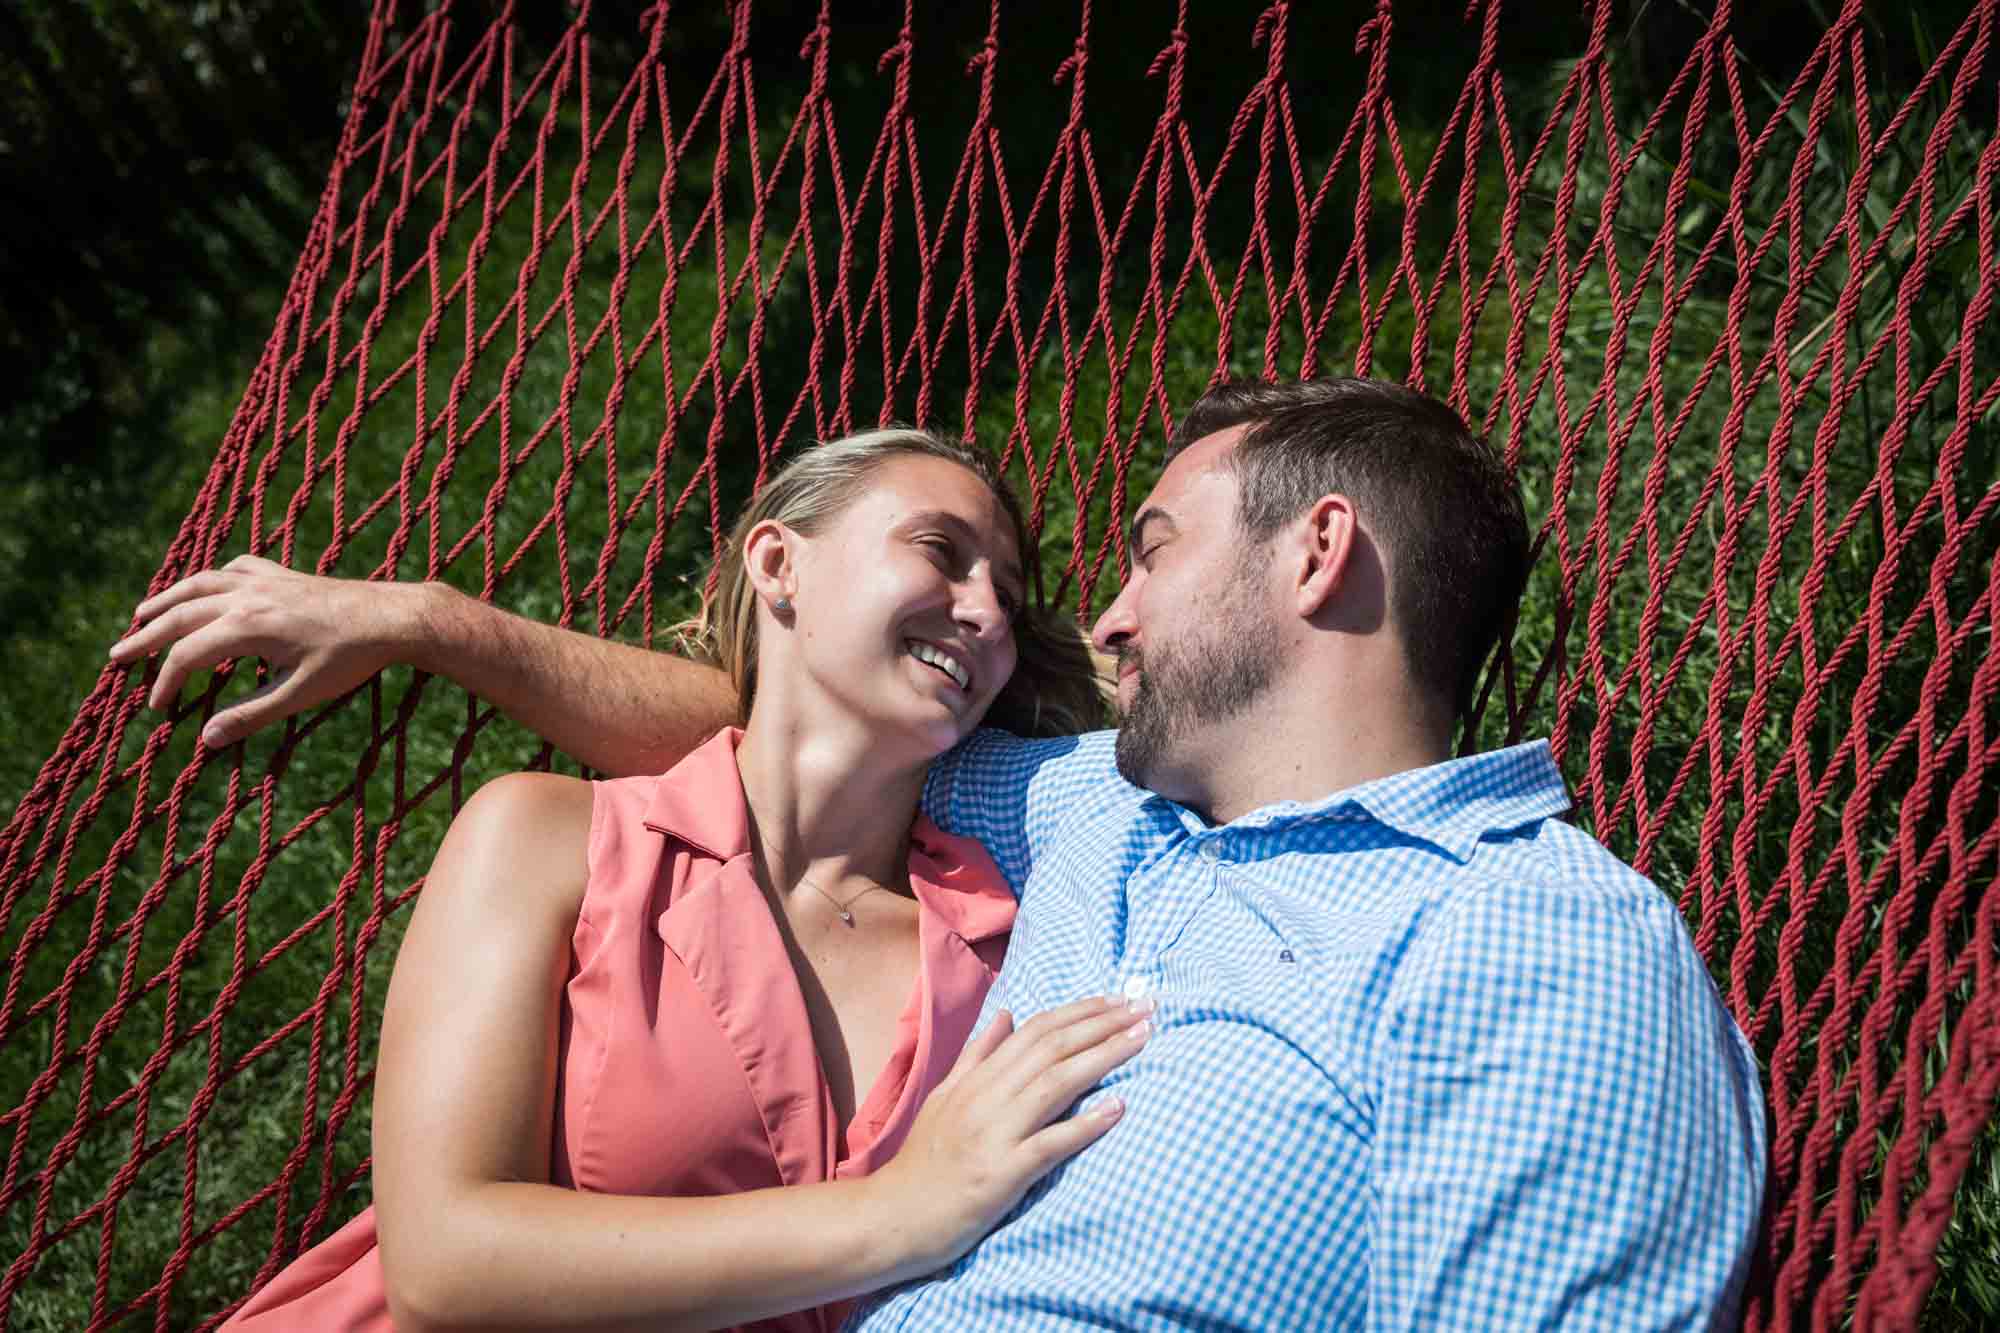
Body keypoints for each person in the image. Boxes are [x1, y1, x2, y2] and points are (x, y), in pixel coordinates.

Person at [117, 378, 1767, 1329]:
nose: (1086, 621)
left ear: (1318, 554)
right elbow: (788, 738)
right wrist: (434, 622)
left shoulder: (1546, 940)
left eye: (1147, 548)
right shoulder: (1102, 813)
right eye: (943, 555)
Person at [189, 428, 1153, 1333]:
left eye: (1008, 599)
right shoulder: (547, 839)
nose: (986, 612)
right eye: (940, 550)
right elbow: (444, 1264)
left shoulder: (1007, 936)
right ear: (779, 564)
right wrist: (896, 1216)